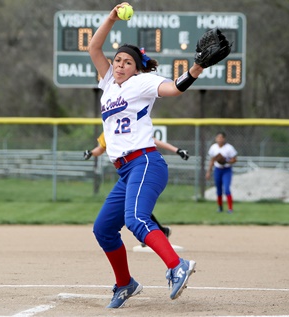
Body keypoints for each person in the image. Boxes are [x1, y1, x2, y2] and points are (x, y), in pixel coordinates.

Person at [88, 2, 211, 309]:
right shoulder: (107, 84)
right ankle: (125, 283)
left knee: (137, 219)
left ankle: (177, 264)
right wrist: (112, 17)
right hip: (125, 170)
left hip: (145, 162)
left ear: (136, 68)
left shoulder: (141, 82)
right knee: (103, 229)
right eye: (117, 60)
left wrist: (194, 70)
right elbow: (93, 46)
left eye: (127, 62)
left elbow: (174, 89)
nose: (119, 65)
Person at [83, 132, 190, 246]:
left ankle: (156, 235)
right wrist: (91, 153)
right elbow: (100, 149)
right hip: (126, 173)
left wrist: (177, 150)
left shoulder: (130, 126)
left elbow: (154, 141)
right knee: (133, 207)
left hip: (141, 169)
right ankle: (160, 231)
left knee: (135, 208)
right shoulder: (109, 131)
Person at [205, 132, 238, 213]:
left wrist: (226, 161)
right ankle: (220, 208)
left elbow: (235, 159)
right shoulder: (213, 147)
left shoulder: (229, 148)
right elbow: (212, 160)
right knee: (218, 190)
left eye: (221, 138)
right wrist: (209, 171)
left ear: (224, 139)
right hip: (217, 170)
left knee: (226, 189)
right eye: (218, 137)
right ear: (216, 139)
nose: (219, 139)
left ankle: (230, 209)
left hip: (226, 170)